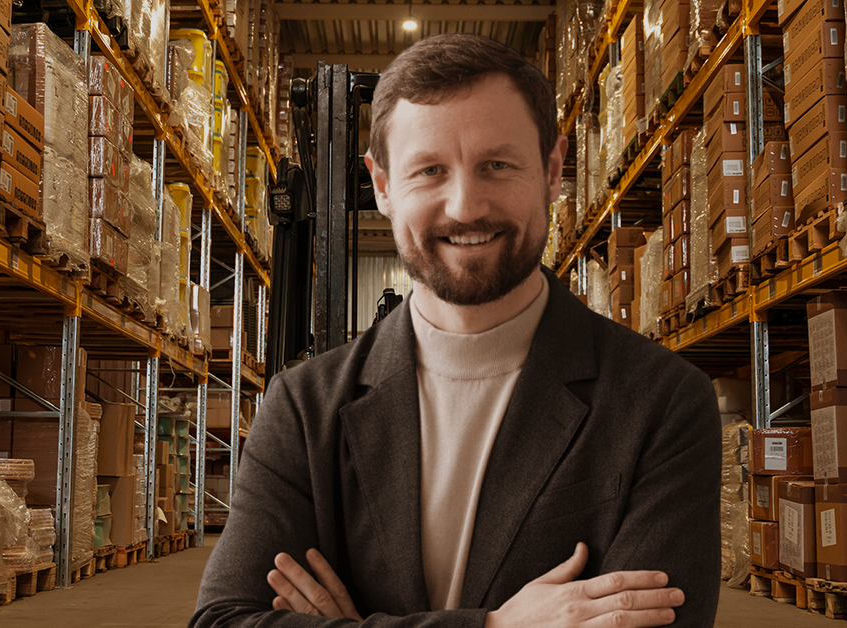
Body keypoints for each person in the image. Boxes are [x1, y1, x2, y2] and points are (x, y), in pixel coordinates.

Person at [191, 33, 721, 628]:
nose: (466, 206)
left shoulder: (664, 404)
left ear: (551, 170)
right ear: (383, 186)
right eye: (430, 170)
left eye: (497, 165)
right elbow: (222, 621)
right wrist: (494, 626)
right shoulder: (302, 407)